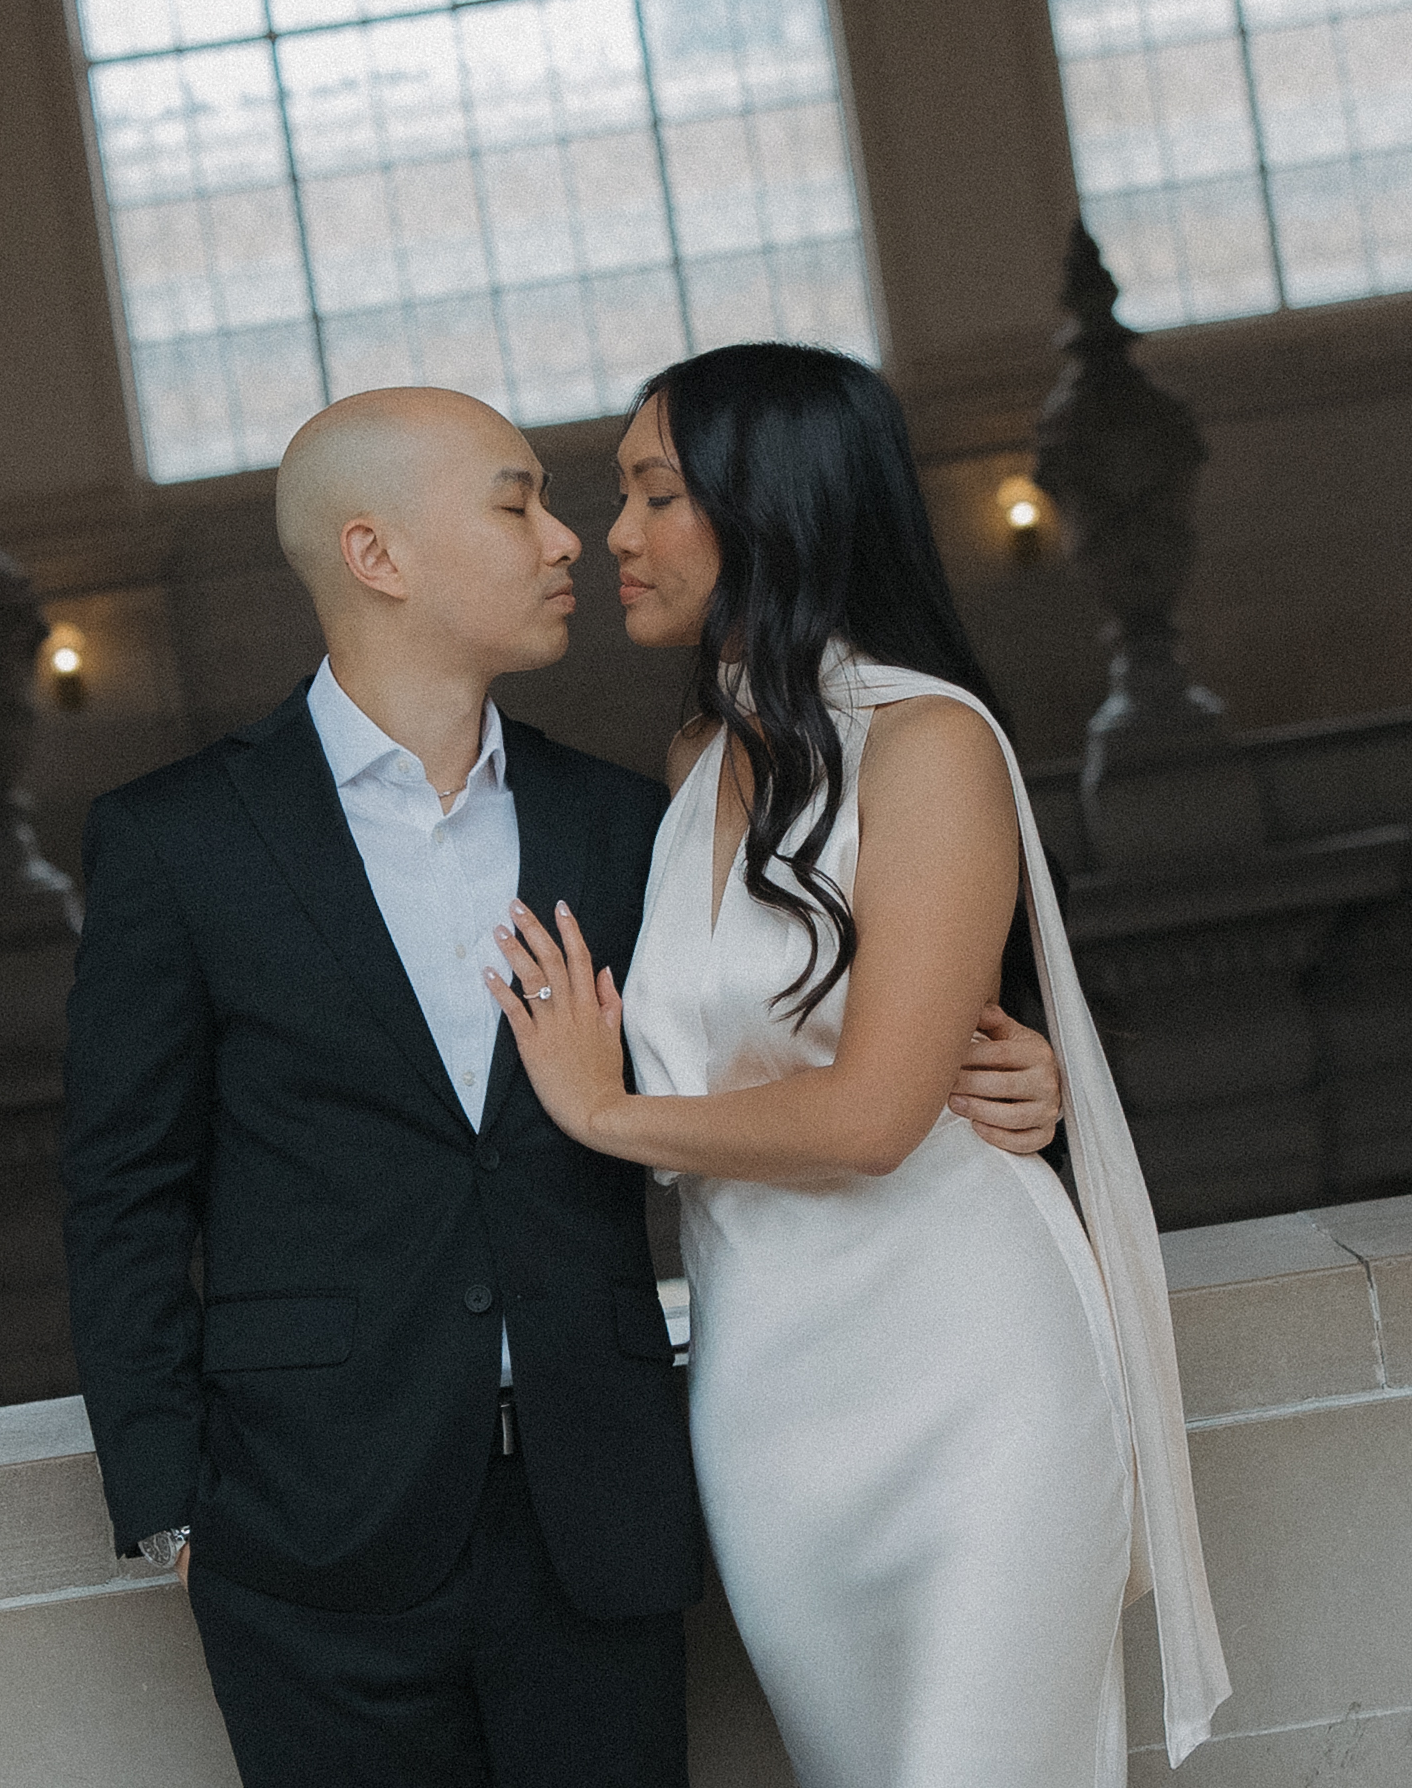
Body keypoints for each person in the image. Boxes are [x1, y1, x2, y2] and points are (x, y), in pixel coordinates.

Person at [61, 384, 1067, 1788]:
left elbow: (763, 1041)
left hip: (602, 1520)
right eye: (517, 501)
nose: (569, 542)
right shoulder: (177, 844)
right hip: (311, 1533)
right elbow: (121, 1192)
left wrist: (1016, 1061)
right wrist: (169, 1508)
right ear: (378, 556)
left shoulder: (622, 817)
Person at [486, 347, 1230, 1788]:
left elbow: (883, 1112)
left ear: (771, 509)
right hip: (769, 1403)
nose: (615, 536)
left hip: (974, 1378)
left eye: (653, 493)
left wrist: (607, 1110)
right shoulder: (699, 754)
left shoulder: (930, 739)